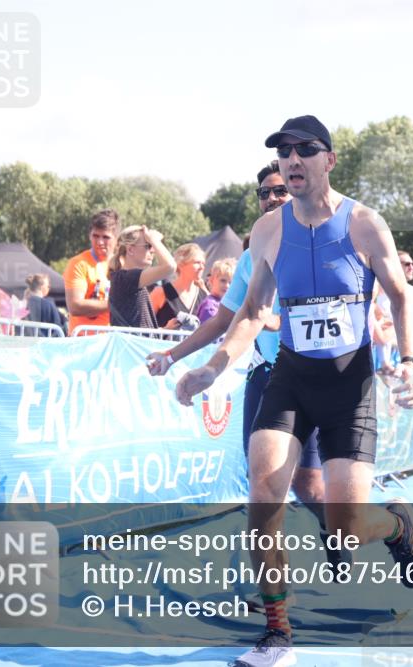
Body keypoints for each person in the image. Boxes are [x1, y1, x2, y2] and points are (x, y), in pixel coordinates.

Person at [169, 115, 413, 665]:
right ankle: (277, 633)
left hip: (348, 385)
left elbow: (402, 298)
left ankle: (396, 523)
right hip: (290, 378)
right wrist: (211, 369)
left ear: (329, 160)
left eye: (305, 150)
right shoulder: (267, 231)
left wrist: (408, 361)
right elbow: (252, 312)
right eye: (284, 152)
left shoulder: (363, 223)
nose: (292, 159)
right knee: (263, 496)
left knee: (346, 530)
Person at [147, 161, 342, 574]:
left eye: (279, 191)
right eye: (264, 193)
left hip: (311, 378)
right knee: (264, 487)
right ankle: (275, 606)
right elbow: (223, 320)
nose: (271, 198)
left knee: (309, 486)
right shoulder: (252, 254)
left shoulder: (322, 245)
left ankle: (340, 529)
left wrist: (277, 319)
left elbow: (337, 317)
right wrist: (172, 356)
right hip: (265, 376)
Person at [108, 226, 176, 329]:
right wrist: (154, 240)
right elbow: (170, 267)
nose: (152, 250)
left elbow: (140, 324)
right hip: (131, 344)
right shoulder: (125, 278)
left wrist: (165, 329)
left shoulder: (127, 278)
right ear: (130, 249)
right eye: (148, 245)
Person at [64, 209, 118, 335]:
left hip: (111, 342)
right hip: (82, 342)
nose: (100, 242)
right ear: (89, 235)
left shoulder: (122, 265)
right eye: (95, 236)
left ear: (117, 239)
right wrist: (116, 304)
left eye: (105, 237)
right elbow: (75, 306)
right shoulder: (78, 263)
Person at [150, 243, 208, 330]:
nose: (201, 267)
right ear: (181, 264)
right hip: (164, 343)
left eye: (203, 263)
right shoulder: (161, 292)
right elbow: (144, 325)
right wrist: (165, 330)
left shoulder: (203, 295)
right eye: (197, 262)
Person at [197, 257, 237, 324]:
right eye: (223, 280)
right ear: (211, 280)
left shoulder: (226, 304)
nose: (227, 286)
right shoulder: (209, 306)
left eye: (231, 282)